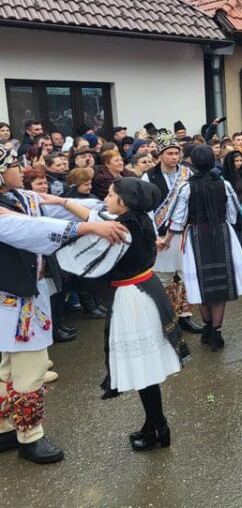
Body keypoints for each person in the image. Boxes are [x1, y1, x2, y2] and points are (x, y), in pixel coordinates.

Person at [0, 146, 128, 464]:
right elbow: (30, 230)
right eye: (14, 164)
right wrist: (87, 227)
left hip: (25, 293)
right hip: (12, 299)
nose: (20, 168)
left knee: (8, 368)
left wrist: (93, 207)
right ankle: (30, 436)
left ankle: (5, 427)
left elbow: (55, 212)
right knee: (28, 368)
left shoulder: (24, 198)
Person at [47, 179, 190, 451]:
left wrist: (61, 208)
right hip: (145, 290)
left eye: (111, 194)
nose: (107, 198)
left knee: (143, 366)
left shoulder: (122, 228)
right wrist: (63, 202)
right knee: (146, 366)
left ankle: (158, 427)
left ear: (124, 202)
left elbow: (92, 224)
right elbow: (96, 216)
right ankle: (155, 424)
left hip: (132, 298)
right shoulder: (138, 219)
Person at [160, 146, 242, 350]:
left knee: (201, 282)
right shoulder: (225, 185)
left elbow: (177, 221)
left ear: (193, 163)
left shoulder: (186, 188)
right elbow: (232, 215)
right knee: (220, 284)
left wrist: (167, 241)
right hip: (221, 234)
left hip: (196, 236)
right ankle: (217, 332)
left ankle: (207, 328)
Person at [141, 131, 201, 334]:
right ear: (160, 154)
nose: (174, 157)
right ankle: (167, 316)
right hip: (161, 233)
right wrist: (153, 235)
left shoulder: (187, 173)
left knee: (185, 275)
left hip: (184, 232)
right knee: (164, 277)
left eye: (177, 153)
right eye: (170, 153)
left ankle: (185, 315)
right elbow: (146, 208)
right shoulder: (149, 175)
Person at [222, 149, 242, 243]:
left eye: (240, 160)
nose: (239, 163)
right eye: (236, 161)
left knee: (240, 235)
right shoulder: (224, 176)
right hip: (229, 212)